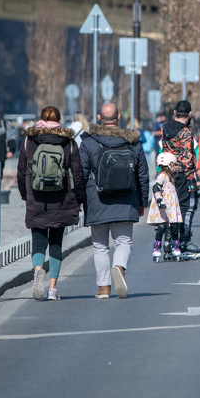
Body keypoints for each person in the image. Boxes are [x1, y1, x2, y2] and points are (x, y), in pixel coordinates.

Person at [80, 102, 149, 299]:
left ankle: (103, 288)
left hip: (98, 199)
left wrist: (81, 200)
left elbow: (80, 176)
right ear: (119, 118)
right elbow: (142, 175)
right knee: (123, 241)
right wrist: (142, 201)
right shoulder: (133, 142)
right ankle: (119, 267)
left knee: (100, 246)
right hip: (126, 199)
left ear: (99, 119)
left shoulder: (89, 142)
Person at [17, 106, 86, 300]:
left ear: (41, 119)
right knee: (56, 243)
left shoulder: (29, 141)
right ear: (59, 120)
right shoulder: (68, 142)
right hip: (61, 199)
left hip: (36, 197)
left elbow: (21, 172)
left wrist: (25, 195)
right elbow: (78, 174)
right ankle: (53, 289)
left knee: (38, 241)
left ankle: (38, 269)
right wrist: (80, 199)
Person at [161, 101, 200, 254]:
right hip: (182, 175)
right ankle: (184, 240)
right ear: (190, 114)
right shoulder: (185, 132)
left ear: (174, 112)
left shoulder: (164, 128)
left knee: (170, 207)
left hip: (168, 173)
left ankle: (169, 240)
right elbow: (187, 158)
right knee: (187, 207)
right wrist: (192, 180)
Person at [147, 152, 183, 261]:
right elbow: (156, 187)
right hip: (163, 206)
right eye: (173, 164)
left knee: (174, 227)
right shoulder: (162, 175)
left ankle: (174, 247)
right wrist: (160, 200)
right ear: (170, 164)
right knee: (162, 227)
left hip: (171, 206)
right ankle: (156, 248)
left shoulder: (170, 176)